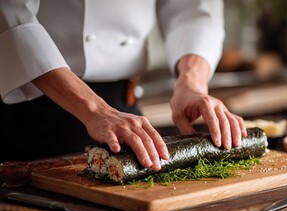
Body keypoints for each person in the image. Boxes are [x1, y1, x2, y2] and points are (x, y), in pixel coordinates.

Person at [0, 0, 247, 170]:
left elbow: (194, 9)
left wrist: (191, 84)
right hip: (26, 110)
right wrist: (95, 110)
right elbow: (9, 15)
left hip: (124, 113)